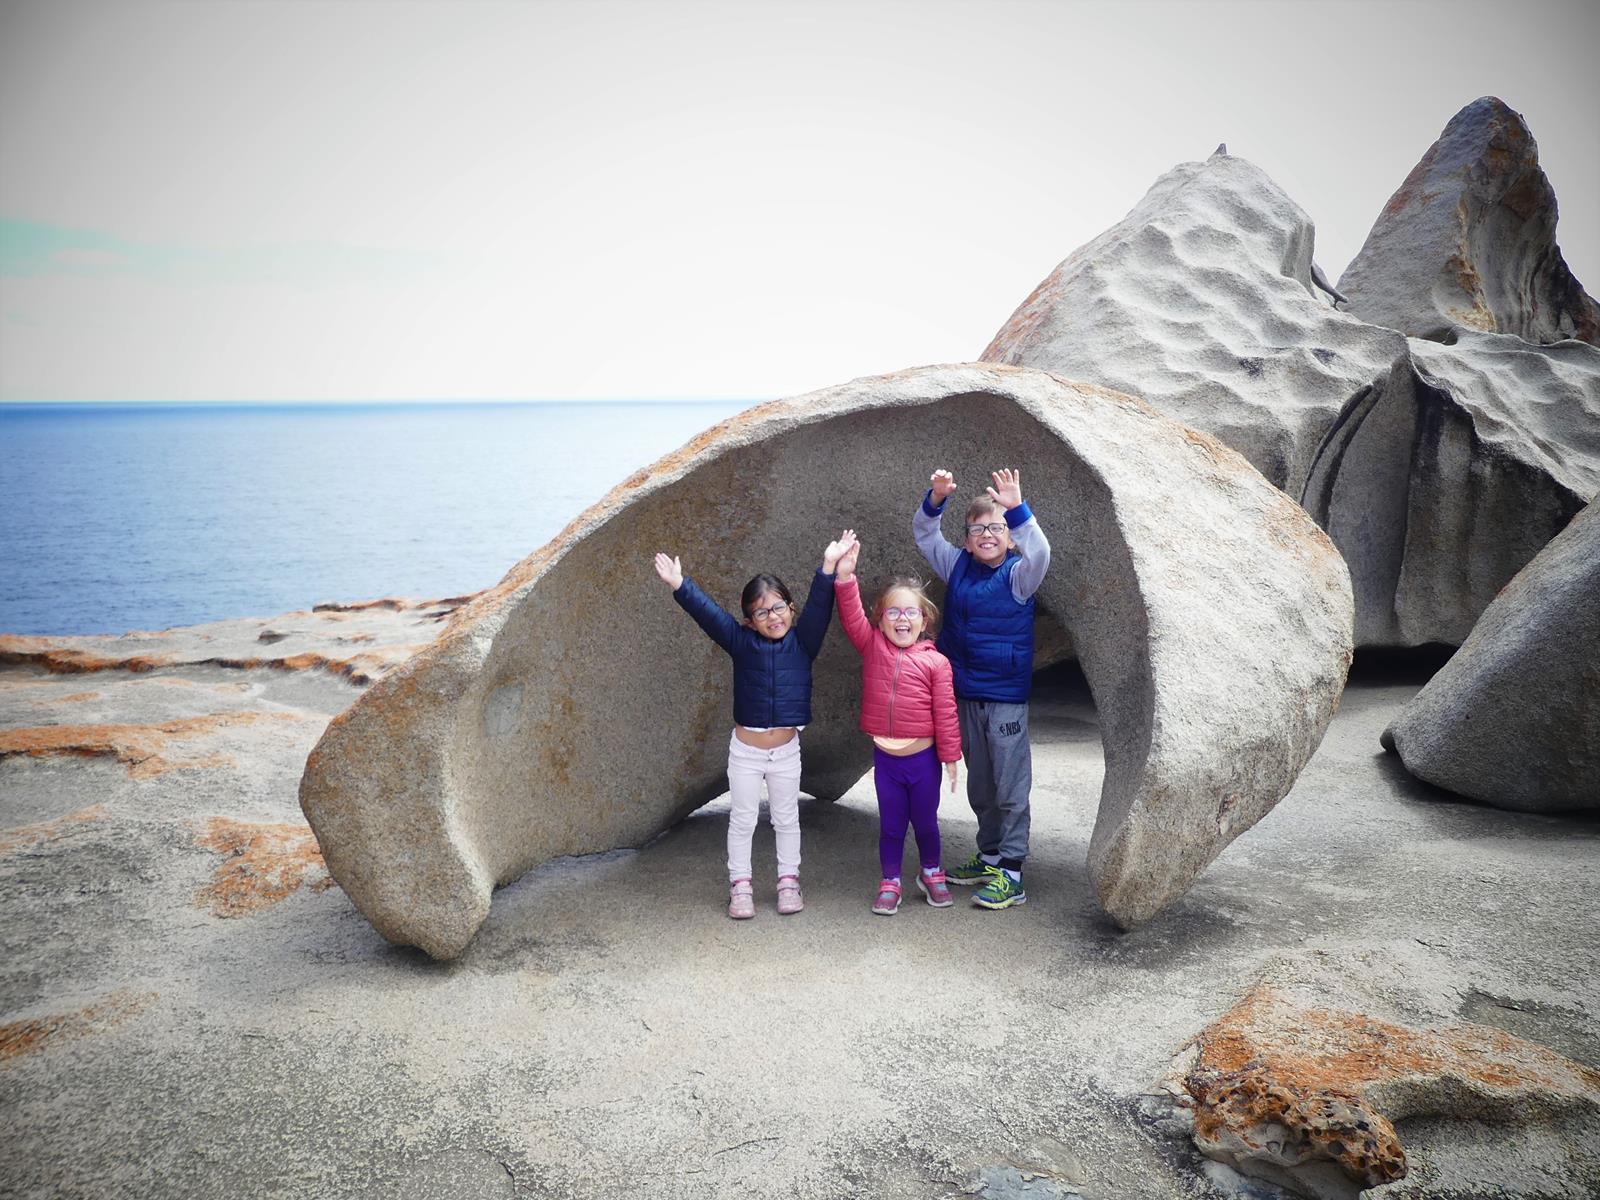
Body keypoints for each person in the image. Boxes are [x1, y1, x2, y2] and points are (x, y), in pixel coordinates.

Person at [652, 535, 852, 919]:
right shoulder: (740, 643)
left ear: (790, 609)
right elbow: (709, 615)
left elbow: (820, 608)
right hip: (745, 751)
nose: (773, 617)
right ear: (749, 621)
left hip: (786, 752)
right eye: (762, 613)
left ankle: (788, 881)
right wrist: (681, 585)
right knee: (742, 818)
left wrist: (827, 566)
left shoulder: (804, 642)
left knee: (786, 817)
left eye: (779, 607)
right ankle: (740, 886)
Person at [913, 467, 1051, 910]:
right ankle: (990, 855)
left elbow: (1041, 553)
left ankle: (1012, 873)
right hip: (964, 692)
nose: (987, 535)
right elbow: (925, 534)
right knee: (982, 784)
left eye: (996, 528)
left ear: (1010, 537)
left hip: (1005, 697)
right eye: (977, 529)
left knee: (1011, 786)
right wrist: (936, 498)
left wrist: (1018, 510)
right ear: (968, 538)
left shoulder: (1018, 576)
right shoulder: (958, 567)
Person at [832, 533, 962, 915]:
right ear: (881, 618)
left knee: (925, 823)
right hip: (886, 762)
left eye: (910, 613)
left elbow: (946, 712)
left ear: (924, 620)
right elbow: (851, 614)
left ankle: (932, 872)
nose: (901, 619)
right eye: (893, 612)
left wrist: (951, 756)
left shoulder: (936, 662)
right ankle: (890, 881)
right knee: (891, 826)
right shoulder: (872, 645)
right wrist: (846, 577)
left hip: (923, 762)